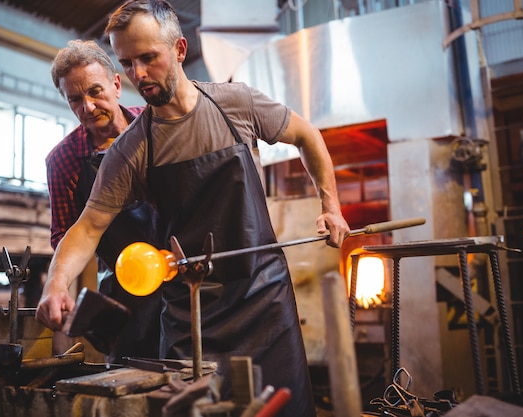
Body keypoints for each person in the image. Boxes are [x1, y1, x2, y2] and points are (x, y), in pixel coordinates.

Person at [36, 1, 350, 415]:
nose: (139, 75)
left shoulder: (236, 104)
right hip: (191, 314)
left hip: (265, 300)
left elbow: (307, 136)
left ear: (180, 50)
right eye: (129, 63)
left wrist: (332, 206)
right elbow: (88, 227)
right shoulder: (131, 150)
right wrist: (56, 283)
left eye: (149, 58)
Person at [45, 39, 160, 359]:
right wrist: (57, 285)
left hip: (184, 279)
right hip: (126, 294)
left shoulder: (157, 125)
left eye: (95, 91)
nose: (88, 107)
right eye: (75, 99)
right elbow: (65, 237)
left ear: (117, 84)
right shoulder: (64, 161)